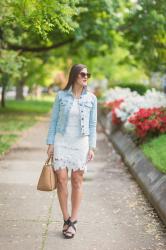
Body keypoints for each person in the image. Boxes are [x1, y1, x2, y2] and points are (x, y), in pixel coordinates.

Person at [46, 64, 97, 239]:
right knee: (61, 180)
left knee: (77, 180)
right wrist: (50, 143)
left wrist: (92, 147)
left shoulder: (91, 98)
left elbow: (92, 125)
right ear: (74, 75)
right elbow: (53, 121)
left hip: (80, 143)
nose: (86, 77)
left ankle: (73, 221)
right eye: (83, 74)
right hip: (61, 141)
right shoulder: (61, 96)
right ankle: (66, 218)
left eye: (88, 74)